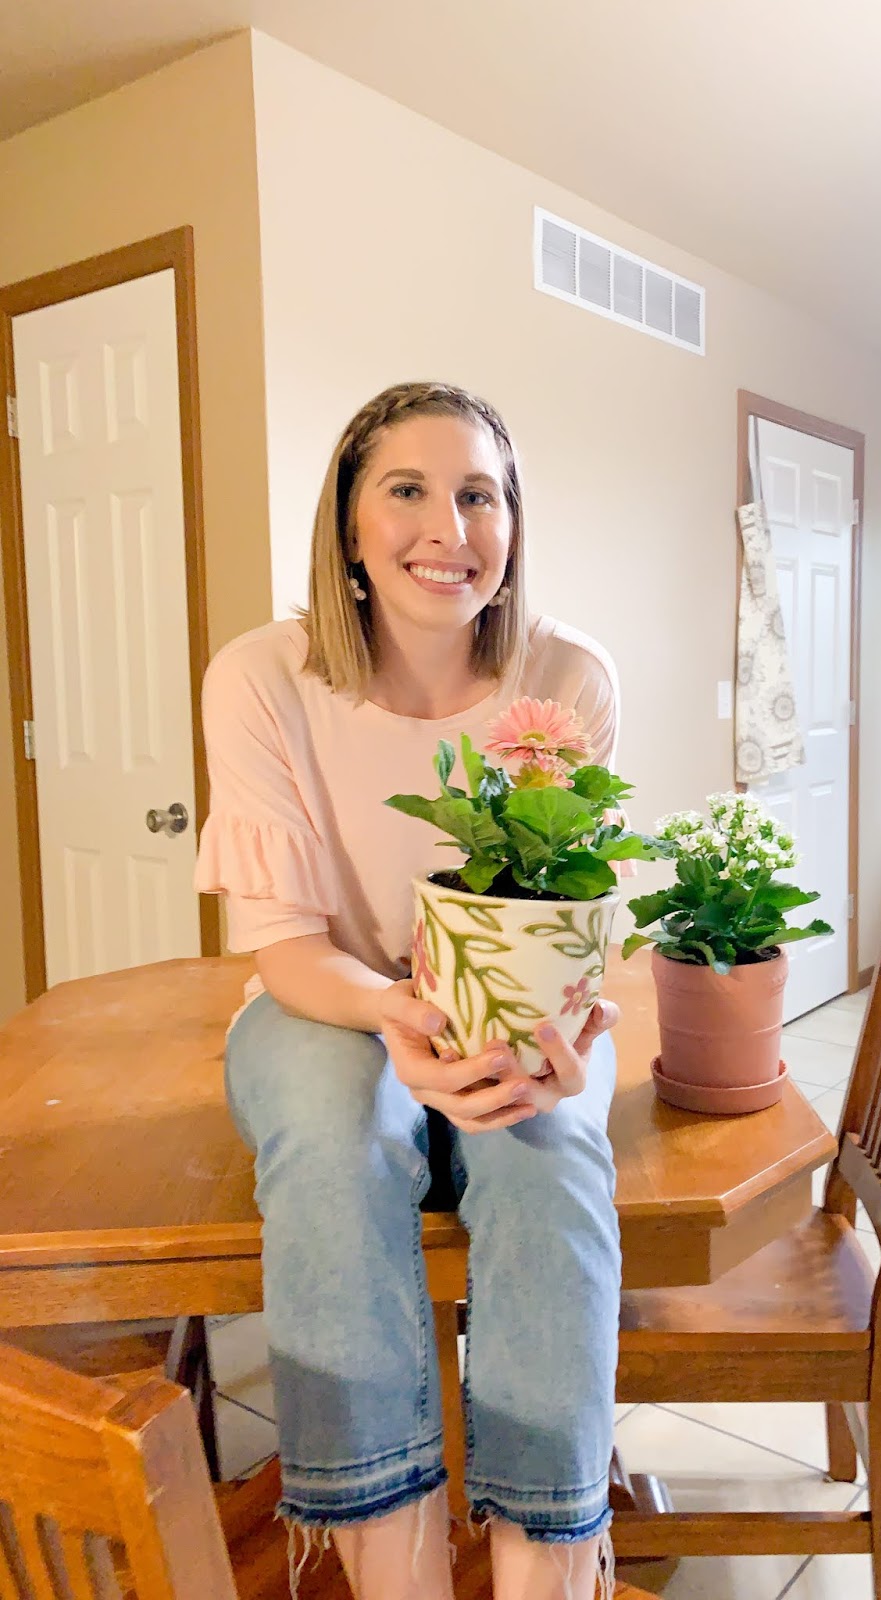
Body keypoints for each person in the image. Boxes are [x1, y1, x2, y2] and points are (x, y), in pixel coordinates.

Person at [195, 383, 622, 1600]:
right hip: (326, 1001)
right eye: (408, 490)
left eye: (479, 494)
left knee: (550, 1156)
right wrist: (399, 1013)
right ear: (348, 523)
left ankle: (550, 1565)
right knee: (337, 1134)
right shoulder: (262, 677)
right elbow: (286, 947)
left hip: (506, 1007)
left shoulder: (568, 677)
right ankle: (395, 1562)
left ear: (513, 523)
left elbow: (566, 918)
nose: (450, 527)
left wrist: (561, 1030)